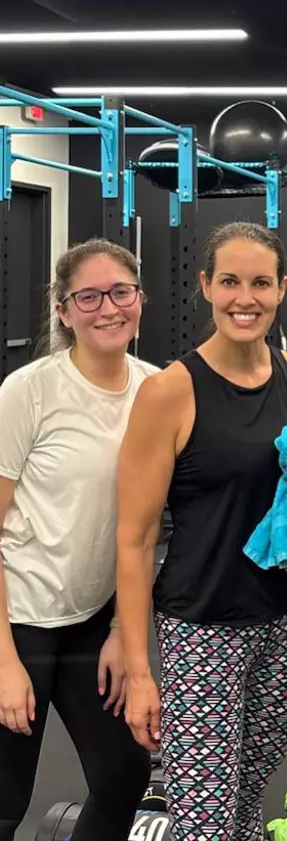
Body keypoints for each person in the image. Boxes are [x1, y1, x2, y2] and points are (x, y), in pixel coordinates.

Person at [115, 222, 287, 841]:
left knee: (246, 802)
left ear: (282, 289)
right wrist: (140, 673)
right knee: (203, 824)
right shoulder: (168, 393)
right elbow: (134, 541)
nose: (246, 298)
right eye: (231, 282)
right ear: (206, 286)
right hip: (203, 631)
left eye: (261, 283)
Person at [0, 239, 155, 841]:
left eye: (121, 292)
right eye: (88, 297)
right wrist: (4, 663)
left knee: (123, 776)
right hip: (19, 619)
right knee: (6, 801)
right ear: (63, 311)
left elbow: (142, 529)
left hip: (93, 619)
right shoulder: (28, 391)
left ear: (140, 299)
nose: (108, 308)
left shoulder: (156, 390)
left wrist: (121, 629)